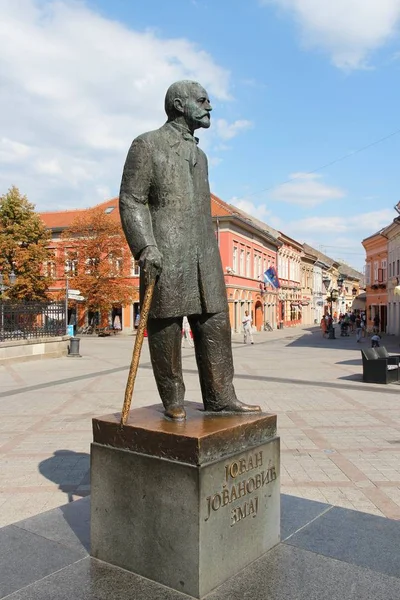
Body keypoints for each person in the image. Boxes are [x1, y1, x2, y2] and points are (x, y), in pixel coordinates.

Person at [119, 80, 260, 420]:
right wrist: (145, 246)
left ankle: (221, 397)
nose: (209, 107)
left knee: (215, 324)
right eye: (203, 100)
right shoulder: (147, 144)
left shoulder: (200, 155)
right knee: (166, 327)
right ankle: (173, 399)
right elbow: (131, 199)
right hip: (166, 251)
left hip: (204, 254)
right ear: (180, 105)